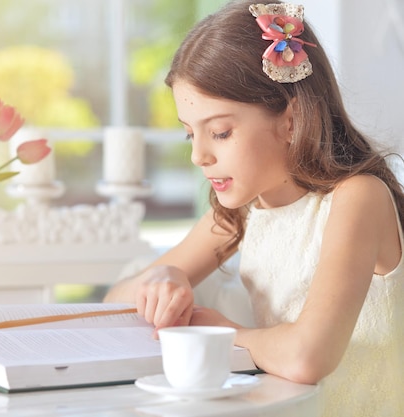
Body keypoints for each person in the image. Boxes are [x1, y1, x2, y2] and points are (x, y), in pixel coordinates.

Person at [103, 1, 404, 416]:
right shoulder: (243, 212)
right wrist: (163, 274)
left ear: (291, 120)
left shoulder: (358, 199)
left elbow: (306, 358)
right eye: (190, 135)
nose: (199, 156)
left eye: (221, 132)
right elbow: (113, 305)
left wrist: (226, 332)